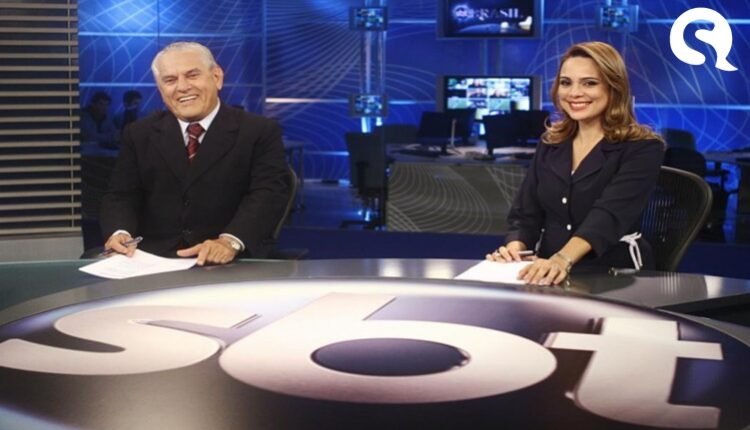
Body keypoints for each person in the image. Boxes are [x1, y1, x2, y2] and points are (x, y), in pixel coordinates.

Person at [486, 41, 664, 285]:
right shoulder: (551, 143)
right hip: (547, 271)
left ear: (614, 87)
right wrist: (515, 249)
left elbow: (608, 216)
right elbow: (526, 213)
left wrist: (562, 259)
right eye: (566, 82)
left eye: (589, 83)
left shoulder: (642, 147)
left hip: (614, 272)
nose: (574, 93)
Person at [100, 42, 290, 265]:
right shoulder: (139, 133)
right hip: (154, 258)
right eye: (170, 80)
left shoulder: (259, 131)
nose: (182, 87)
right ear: (160, 89)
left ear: (216, 77)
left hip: (229, 259)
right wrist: (119, 232)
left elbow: (268, 194)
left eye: (192, 75)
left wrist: (229, 242)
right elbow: (121, 194)